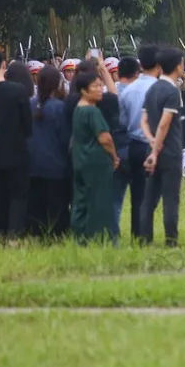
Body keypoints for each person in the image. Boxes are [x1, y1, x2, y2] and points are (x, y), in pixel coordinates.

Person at [140, 49, 185, 246]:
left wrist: (151, 142)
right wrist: (156, 150)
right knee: (170, 199)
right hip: (169, 152)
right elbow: (164, 124)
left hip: (154, 149)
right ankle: (171, 241)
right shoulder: (171, 91)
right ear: (177, 66)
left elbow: (143, 121)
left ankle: (144, 240)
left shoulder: (152, 89)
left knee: (148, 200)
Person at [70, 72, 119, 244]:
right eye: (95, 86)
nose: (100, 90)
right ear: (84, 90)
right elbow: (105, 138)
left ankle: (79, 236)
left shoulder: (78, 109)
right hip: (96, 162)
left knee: (81, 200)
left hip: (80, 159)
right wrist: (114, 156)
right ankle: (97, 238)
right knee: (98, 201)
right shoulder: (92, 112)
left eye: (100, 85)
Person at [0, 48, 33, 240]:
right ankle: (14, 237)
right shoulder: (18, 91)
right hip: (16, 153)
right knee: (17, 197)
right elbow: (27, 125)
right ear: (4, 65)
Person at [119, 45, 160, 239]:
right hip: (153, 145)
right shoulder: (160, 89)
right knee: (153, 195)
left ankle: (138, 234)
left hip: (134, 144)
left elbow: (123, 121)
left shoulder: (128, 89)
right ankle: (146, 235)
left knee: (137, 193)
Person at [28, 66, 71, 237]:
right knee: (56, 207)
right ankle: (56, 235)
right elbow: (65, 137)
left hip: (31, 164)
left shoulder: (29, 104)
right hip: (55, 165)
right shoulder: (60, 108)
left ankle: (35, 233)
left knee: (35, 206)